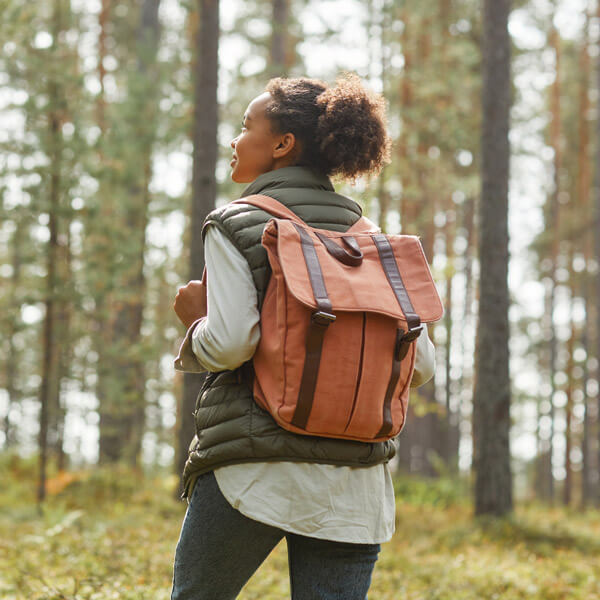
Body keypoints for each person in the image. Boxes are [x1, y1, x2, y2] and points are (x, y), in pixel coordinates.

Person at [171, 73, 436, 600]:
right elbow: (421, 365)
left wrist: (195, 321)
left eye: (247, 126)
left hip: (254, 470)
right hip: (354, 487)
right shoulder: (373, 243)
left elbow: (229, 345)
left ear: (282, 144)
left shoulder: (238, 223)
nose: (235, 138)